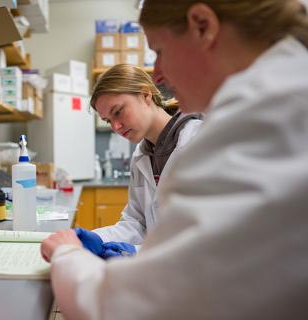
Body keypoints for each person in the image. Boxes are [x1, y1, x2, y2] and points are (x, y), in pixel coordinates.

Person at [41, 1, 308, 319]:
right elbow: (142, 226)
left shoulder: (255, 120)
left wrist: (68, 254)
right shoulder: (279, 94)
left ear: (202, 26)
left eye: (160, 51)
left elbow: (136, 306)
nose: (158, 74)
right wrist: (95, 241)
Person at [74, 64, 203, 258]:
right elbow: (137, 223)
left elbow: (202, 232)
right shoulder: (142, 156)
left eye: (118, 112)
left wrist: (136, 252)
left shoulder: (198, 139)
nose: (116, 126)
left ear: (145, 95)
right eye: (108, 120)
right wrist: (95, 238)